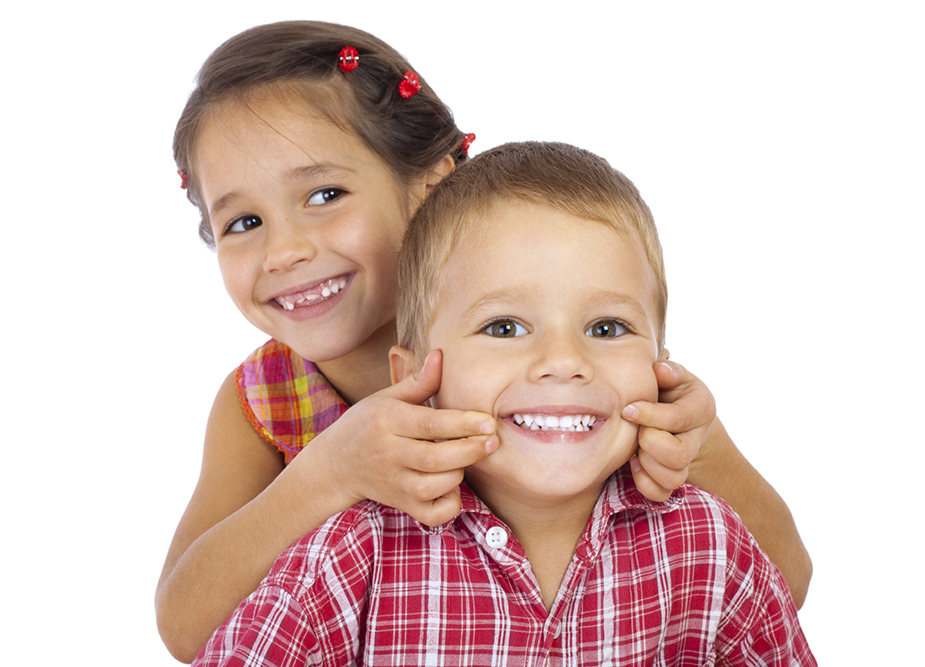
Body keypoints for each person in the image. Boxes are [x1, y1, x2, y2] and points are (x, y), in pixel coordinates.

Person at [157, 21, 811, 662]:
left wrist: (697, 447)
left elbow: (783, 584)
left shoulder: (580, 363)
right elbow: (187, 627)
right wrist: (330, 471)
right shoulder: (266, 399)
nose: (285, 250)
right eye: (242, 221)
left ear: (432, 185)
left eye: (325, 193)